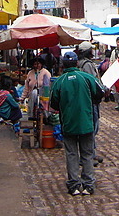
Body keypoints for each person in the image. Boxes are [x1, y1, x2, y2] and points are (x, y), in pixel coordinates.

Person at [50, 50, 104, 196]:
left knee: (71, 154)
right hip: (86, 122)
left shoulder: (59, 82)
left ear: (63, 65)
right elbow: (101, 93)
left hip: (68, 123)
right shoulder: (86, 78)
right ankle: (88, 185)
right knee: (87, 154)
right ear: (77, 63)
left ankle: (73, 184)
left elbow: (54, 104)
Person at [77, 41, 104, 166]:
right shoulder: (87, 65)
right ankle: (88, 155)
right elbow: (92, 81)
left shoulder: (82, 64)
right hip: (91, 99)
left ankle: (90, 153)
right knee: (92, 127)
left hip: (88, 99)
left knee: (92, 126)